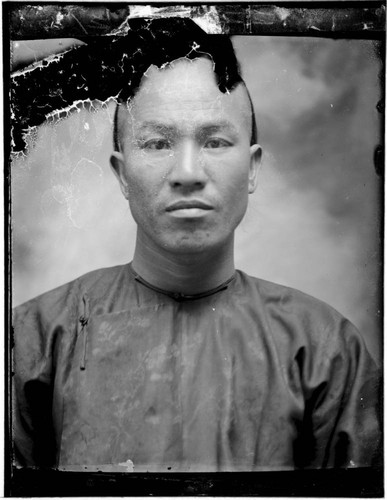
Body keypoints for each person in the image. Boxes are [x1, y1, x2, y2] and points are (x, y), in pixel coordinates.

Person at [12, 19, 381, 472]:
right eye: (158, 142)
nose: (188, 172)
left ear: (252, 168)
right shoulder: (34, 339)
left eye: (214, 141)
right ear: (121, 173)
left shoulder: (325, 348)